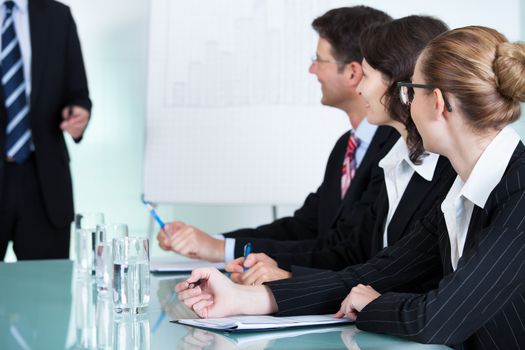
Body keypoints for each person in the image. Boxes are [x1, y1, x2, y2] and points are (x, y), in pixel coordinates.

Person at [177, 25, 525, 348]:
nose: (406, 104)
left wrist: (373, 304)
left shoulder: (519, 193)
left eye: (409, 91)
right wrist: (244, 299)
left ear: (437, 102)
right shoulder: (462, 191)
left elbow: (436, 317)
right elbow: (374, 273)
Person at [225, 15, 453, 286]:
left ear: (400, 86)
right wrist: (278, 271)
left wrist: (288, 280)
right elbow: (358, 254)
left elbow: (395, 277)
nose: (361, 89)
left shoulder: (448, 172)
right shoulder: (396, 159)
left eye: (366, 76)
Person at [157, 6, 396, 263]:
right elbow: (303, 227)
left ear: (352, 72)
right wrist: (212, 241)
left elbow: (346, 249)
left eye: (318, 60)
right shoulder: (346, 148)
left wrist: (221, 248)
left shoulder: (395, 149)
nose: (312, 70)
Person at [0, 0, 91, 260]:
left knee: (47, 293)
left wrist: (78, 113)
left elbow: (79, 93)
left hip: (44, 183)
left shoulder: (57, 16)